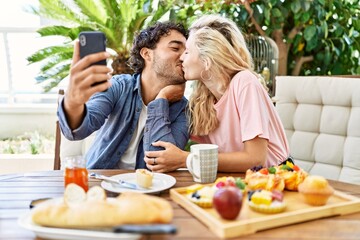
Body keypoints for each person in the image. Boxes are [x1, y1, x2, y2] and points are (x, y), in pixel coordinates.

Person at [144, 15, 290, 172]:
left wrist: (186, 159)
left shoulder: (245, 82)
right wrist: (162, 98)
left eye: (187, 52)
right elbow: (160, 155)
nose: (181, 58)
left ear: (207, 58)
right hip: (235, 180)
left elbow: (256, 159)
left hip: (277, 178)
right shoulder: (202, 100)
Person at [58, 21, 189, 170]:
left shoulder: (184, 110)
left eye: (187, 51)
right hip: (100, 183)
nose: (184, 56)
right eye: (175, 48)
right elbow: (79, 130)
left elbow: (160, 161)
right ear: (147, 54)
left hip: (149, 189)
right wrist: (73, 102)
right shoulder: (118, 87)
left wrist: (161, 99)